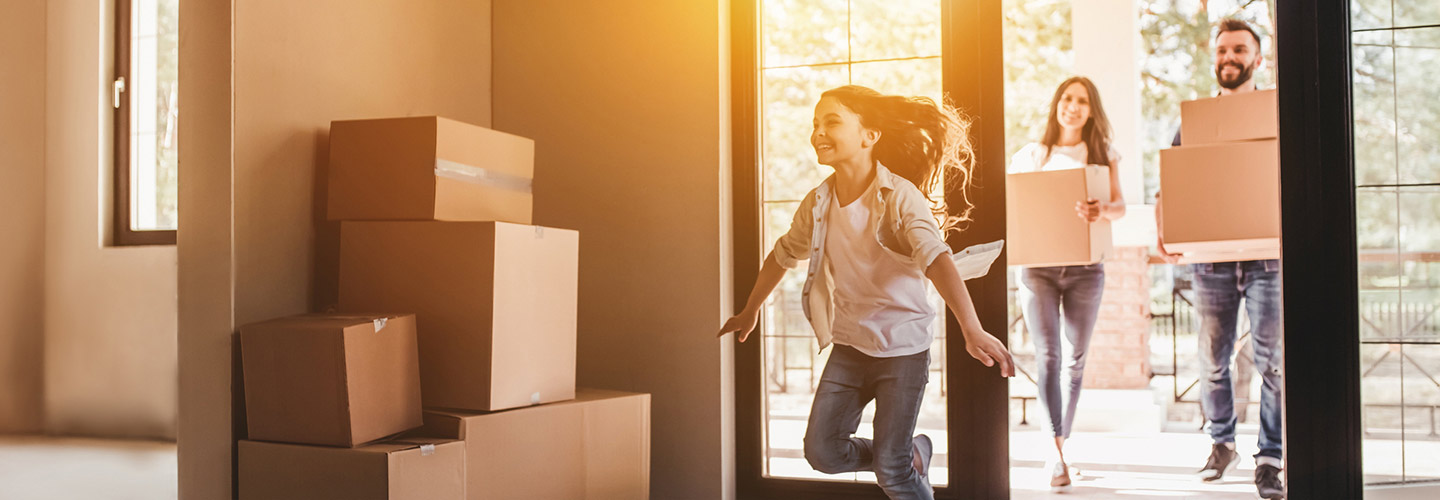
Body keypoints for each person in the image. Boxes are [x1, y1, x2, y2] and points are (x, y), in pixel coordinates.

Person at [716, 85, 1015, 500]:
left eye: (832, 122)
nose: (818, 132)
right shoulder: (818, 201)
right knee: (822, 452)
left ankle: (897, 461)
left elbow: (936, 257)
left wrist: (972, 329)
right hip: (851, 345)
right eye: (815, 124)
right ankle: (906, 454)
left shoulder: (900, 197)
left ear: (869, 135)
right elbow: (783, 253)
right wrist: (750, 310)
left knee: (892, 476)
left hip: (903, 349)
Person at [1156, 18, 1285, 500]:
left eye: (1239, 50)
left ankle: (1270, 458)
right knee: (1212, 360)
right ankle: (1221, 443)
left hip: (1267, 257)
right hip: (1209, 260)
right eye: (1222, 50)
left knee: (1273, 362)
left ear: (1257, 58)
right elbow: (1169, 184)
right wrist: (1164, 232)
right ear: (1214, 58)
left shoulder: (1274, 114)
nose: (1229, 58)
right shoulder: (1192, 122)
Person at [1008, 76, 1126, 492]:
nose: (1072, 106)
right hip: (1038, 270)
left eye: (1081, 101)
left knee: (1075, 361)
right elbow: (1016, 206)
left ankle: (1060, 446)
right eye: (1066, 98)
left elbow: (1120, 206)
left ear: (1091, 110)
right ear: (1056, 104)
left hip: (1085, 269)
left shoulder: (1102, 153)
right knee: (1049, 357)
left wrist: (1101, 210)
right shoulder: (1031, 155)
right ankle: (1055, 453)